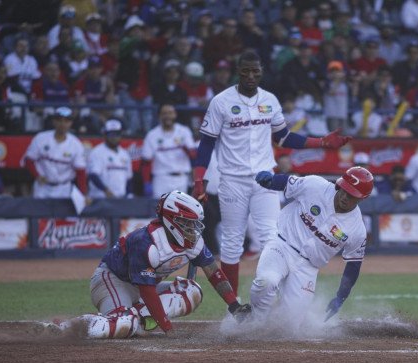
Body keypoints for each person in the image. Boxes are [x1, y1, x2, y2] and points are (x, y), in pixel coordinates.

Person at [191, 50, 351, 294]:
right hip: (232, 180)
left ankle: (276, 299)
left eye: (255, 71)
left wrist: (321, 142)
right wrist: (199, 179)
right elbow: (206, 143)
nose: (251, 76)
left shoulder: (269, 100)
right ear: (238, 72)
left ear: (261, 72)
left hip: (265, 178)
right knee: (232, 242)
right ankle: (232, 308)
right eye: (246, 71)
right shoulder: (221, 102)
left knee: (273, 238)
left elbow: (284, 137)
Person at [50, 191, 251, 339]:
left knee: (192, 291)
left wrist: (234, 306)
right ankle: (70, 326)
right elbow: (147, 291)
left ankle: (136, 314)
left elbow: (214, 273)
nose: (193, 229)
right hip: (112, 280)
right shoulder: (146, 242)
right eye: (188, 223)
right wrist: (167, 328)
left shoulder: (193, 242)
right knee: (124, 325)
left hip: (143, 287)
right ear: (173, 221)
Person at [249, 167, 373, 328]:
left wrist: (341, 297)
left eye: (351, 195)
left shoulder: (357, 229)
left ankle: (274, 316)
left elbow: (353, 265)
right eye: (343, 190)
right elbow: (286, 182)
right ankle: (254, 322)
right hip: (282, 245)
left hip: (307, 267)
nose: (344, 196)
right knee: (266, 281)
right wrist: (270, 180)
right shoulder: (316, 186)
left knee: (289, 327)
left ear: (362, 198)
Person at [23, 107, 87, 199]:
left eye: (66, 121)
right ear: (54, 121)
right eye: (59, 120)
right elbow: (29, 160)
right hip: (42, 187)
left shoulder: (76, 144)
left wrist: (83, 194)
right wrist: (37, 176)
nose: (63, 124)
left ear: (71, 123)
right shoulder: (41, 138)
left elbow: (81, 172)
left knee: (62, 213)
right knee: (40, 213)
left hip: (64, 188)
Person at [141, 104, 197, 199]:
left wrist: (185, 148)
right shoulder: (152, 135)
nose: (167, 116)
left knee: (179, 212)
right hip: (161, 178)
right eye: (164, 113)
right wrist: (147, 182)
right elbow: (146, 161)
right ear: (159, 116)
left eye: (170, 113)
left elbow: (194, 156)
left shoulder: (184, 131)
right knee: (160, 212)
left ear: (175, 115)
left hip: (181, 178)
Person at [87, 119, 132, 200]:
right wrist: (106, 190)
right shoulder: (97, 152)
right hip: (101, 198)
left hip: (120, 199)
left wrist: (128, 194)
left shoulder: (125, 154)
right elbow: (93, 175)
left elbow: (129, 178)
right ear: (105, 135)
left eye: (117, 134)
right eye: (111, 134)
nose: (114, 137)